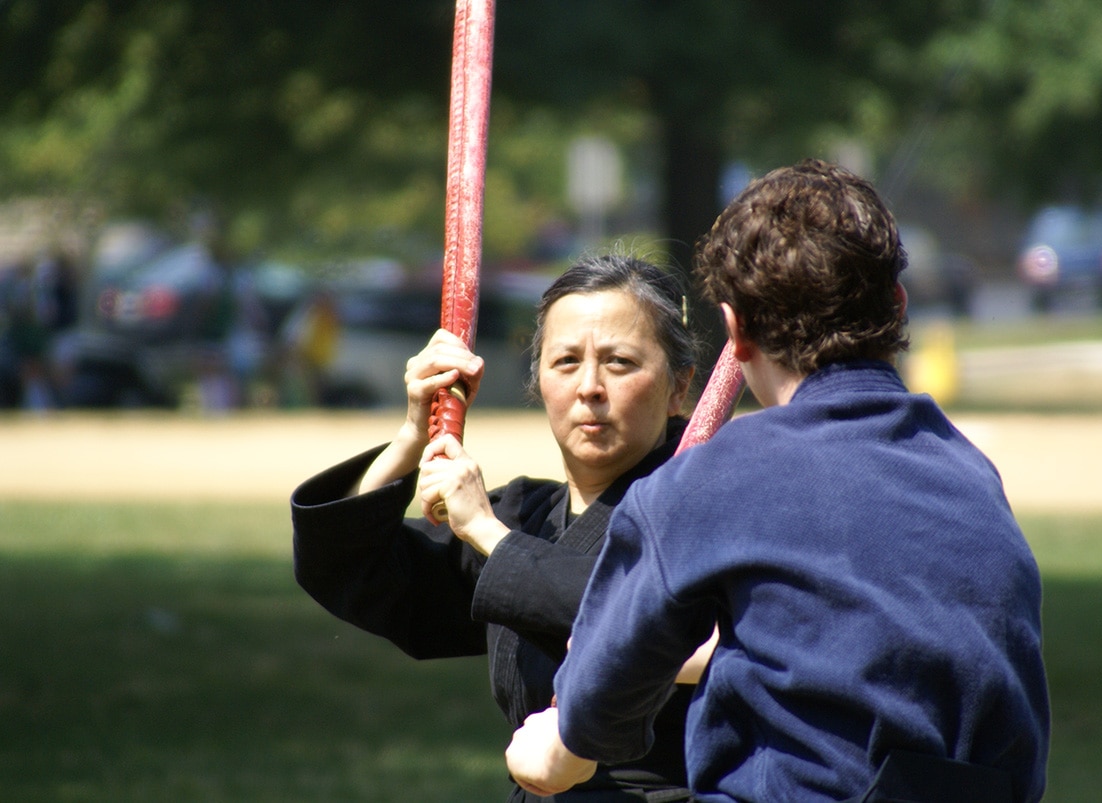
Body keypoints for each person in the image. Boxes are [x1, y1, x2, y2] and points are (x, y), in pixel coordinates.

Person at [505, 160, 1051, 802]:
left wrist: (557, 744)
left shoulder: (713, 480)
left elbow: (598, 692)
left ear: (736, 332)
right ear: (897, 305)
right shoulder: (968, 474)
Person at [292, 254, 710, 801]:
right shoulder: (526, 515)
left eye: (620, 362)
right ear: (538, 381)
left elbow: (634, 612)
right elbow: (351, 568)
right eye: (565, 362)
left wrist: (491, 538)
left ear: (679, 388)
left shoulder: (705, 516)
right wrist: (413, 435)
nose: (589, 387)